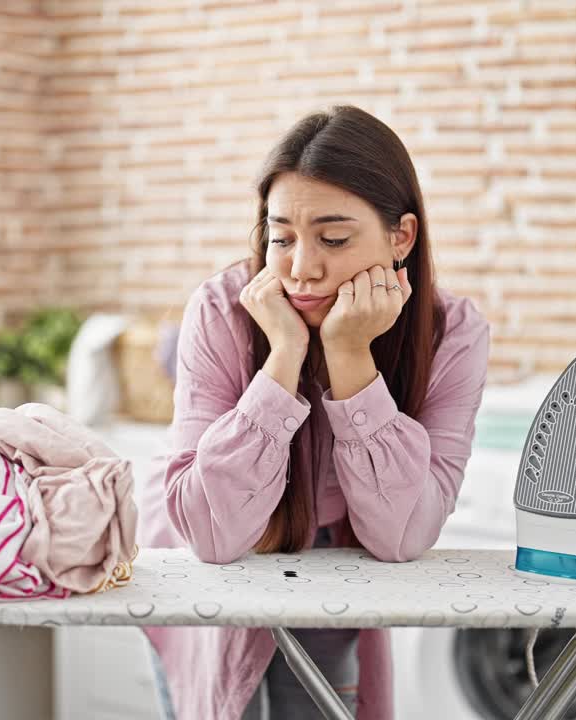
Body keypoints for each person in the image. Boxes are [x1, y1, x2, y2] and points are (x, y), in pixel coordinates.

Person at [136, 104, 491, 720]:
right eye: (281, 238)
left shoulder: (452, 333)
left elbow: (401, 535)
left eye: (333, 239)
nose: (302, 268)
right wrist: (284, 358)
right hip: (209, 577)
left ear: (401, 237)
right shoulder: (223, 310)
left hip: (335, 572)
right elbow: (213, 535)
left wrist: (351, 356)